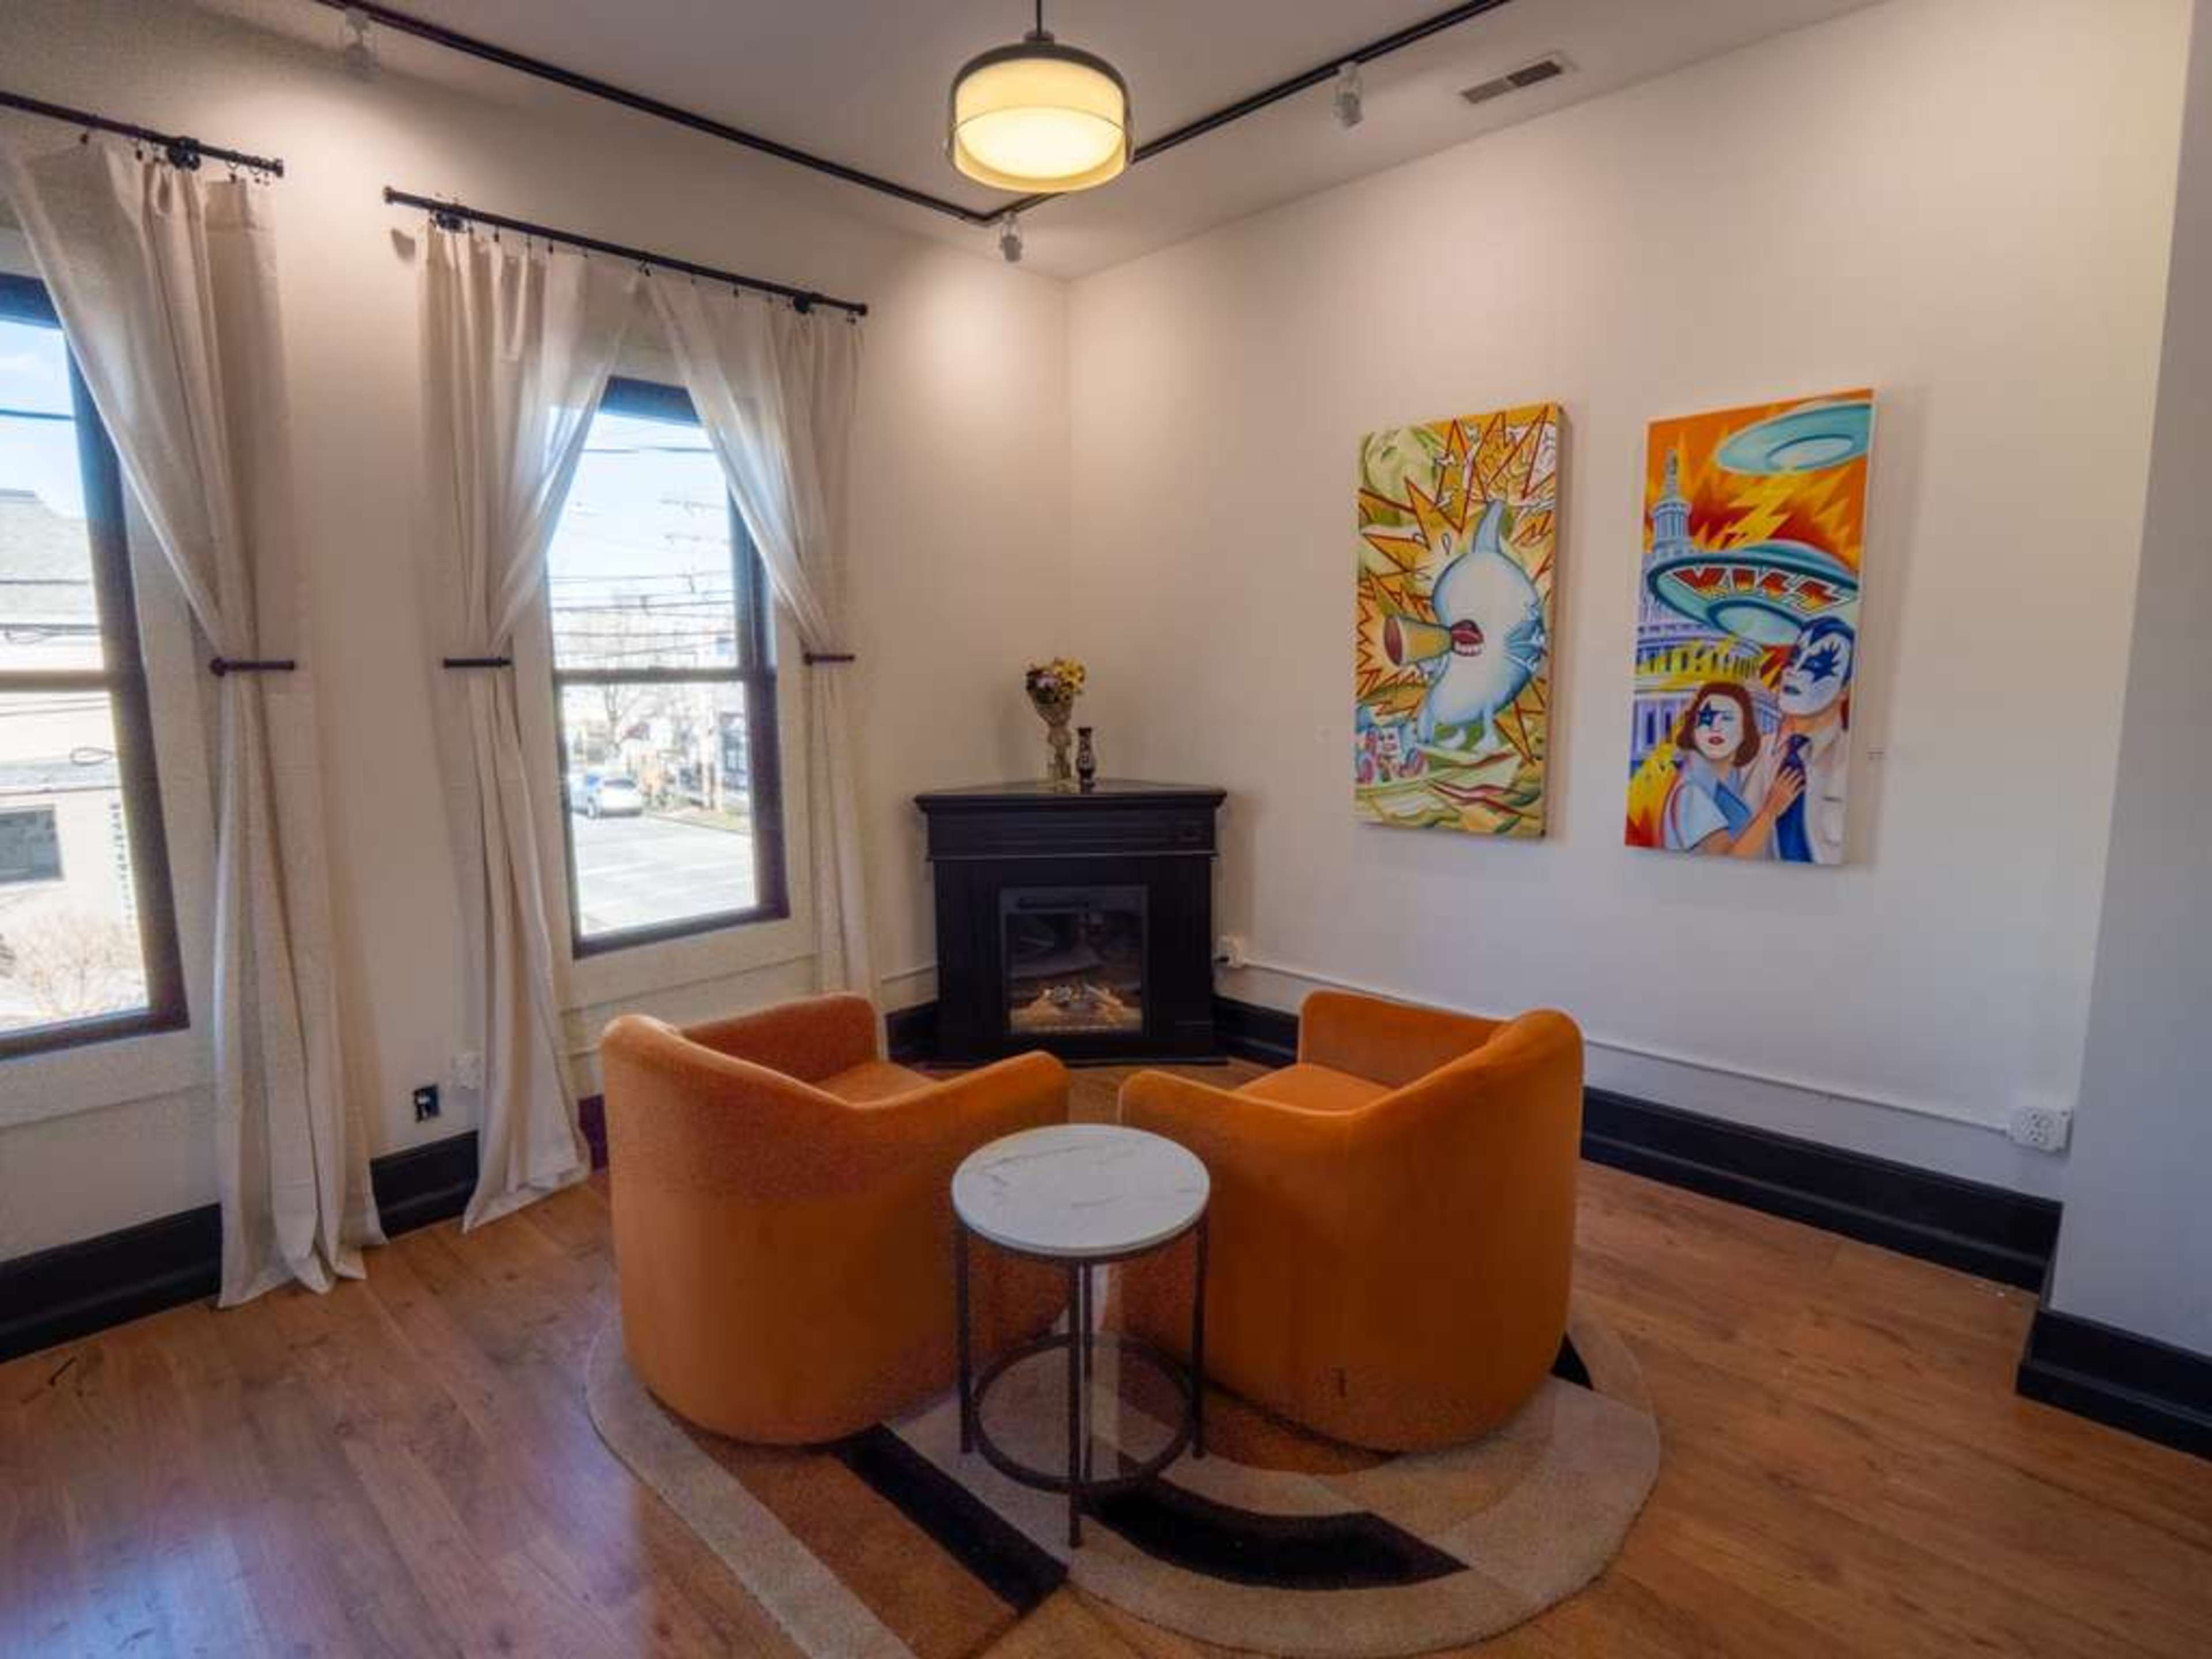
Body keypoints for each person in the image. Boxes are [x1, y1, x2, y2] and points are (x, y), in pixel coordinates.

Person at [1741, 615, 1854, 865]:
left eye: (1814, 665)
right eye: (1794, 660)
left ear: (1845, 689)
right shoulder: (1749, 756)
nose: (1793, 671)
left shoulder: (1854, 761)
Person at [1661, 681, 1799, 857]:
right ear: (1693, 730)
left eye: (1726, 718)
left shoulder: (1730, 778)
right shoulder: (1691, 790)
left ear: (1744, 731)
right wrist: (1770, 811)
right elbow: (1729, 858)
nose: (1715, 727)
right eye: (1707, 718)